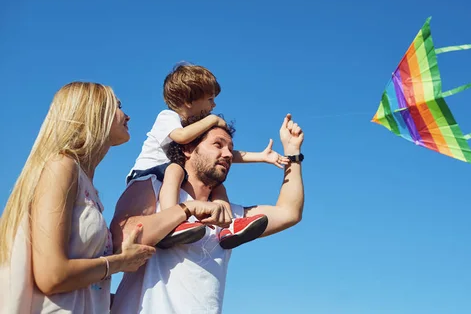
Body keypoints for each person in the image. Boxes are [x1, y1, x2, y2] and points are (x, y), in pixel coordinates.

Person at [109, 113, 304, 314]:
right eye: (218, 145)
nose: (228, 154)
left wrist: (293, 152)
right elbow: (119, 239)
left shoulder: (229, 216)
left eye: (230, 148)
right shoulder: (153, 188)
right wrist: (185, 210)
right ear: (188, 149)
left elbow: (289, 213)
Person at [0, 82, 156, 314]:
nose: (128, 115)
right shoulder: (62, 166)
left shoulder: (87, 185)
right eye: (118, 106)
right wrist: (121, 262)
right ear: (93, 111)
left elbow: (81, 288)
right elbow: (52, 276)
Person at [126, 62, 288, 249]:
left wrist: (261, 156)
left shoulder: (194, 126)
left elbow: (221, 154)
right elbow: (181, 137)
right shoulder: (168, 117)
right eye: (210, 99)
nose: (214, 104)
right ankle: (172, 223)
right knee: (175, 169)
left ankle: (229, 225)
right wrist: (213, 120)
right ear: (188, 101)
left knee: (217, 185)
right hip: (146, 174)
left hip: (171, 175)